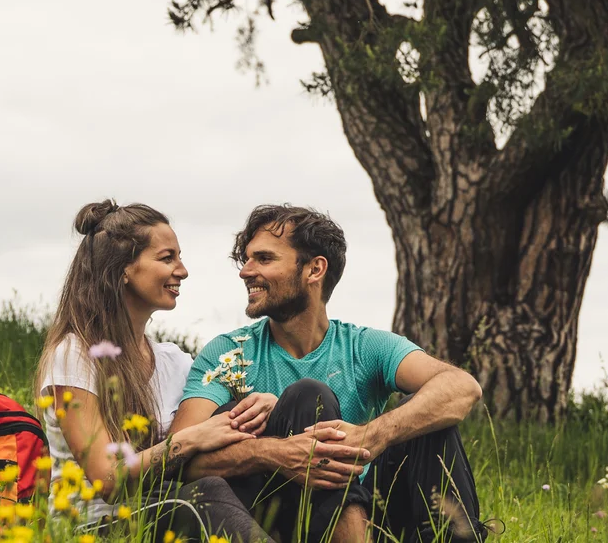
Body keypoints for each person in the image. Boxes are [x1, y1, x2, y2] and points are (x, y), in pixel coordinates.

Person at [171, 205, 488, 543]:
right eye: (246, 260)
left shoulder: (365, 346)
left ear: (314, 269)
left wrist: (371, 435)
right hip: (285, 519)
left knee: (431, 422)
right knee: (308, 396)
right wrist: (274, 453)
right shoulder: (229, 353)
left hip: (373, 512)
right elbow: (178, 459)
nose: (245, 272)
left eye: (263, 259)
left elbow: (461, 387)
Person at [35, 200, 277, 541]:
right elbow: (106, 480)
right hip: (95, 527)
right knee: (206, 497)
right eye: (167, 258)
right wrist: (189, 439)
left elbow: (222, 426)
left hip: (164, 511)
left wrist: (263, 404)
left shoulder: (173, 360)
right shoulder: (75, 355)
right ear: (123, 269)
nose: (183, 270)